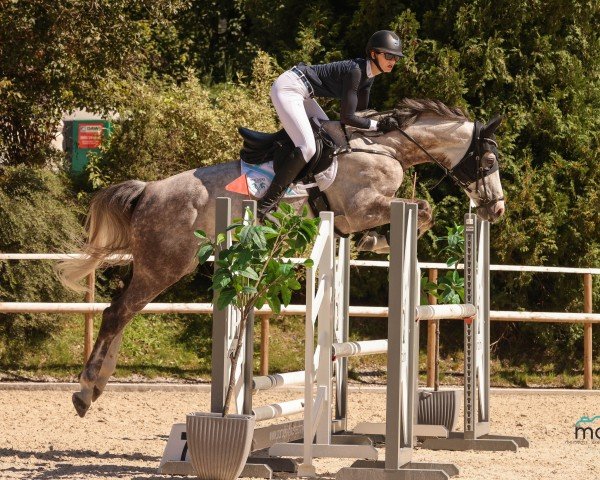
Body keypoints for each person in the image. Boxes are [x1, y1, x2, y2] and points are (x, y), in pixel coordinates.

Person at [257, 30, 404, 220]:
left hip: (304, 92)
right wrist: (378, 125)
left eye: (396, 57)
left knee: (331, 138)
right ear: (374, 54)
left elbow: (360, 116)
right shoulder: (356, 72)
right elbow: (348, 118)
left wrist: (385, 122)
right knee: (308, 147)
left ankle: (305, 186)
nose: (393, 61)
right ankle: (266, 204)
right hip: (289, 87)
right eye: (389, 55)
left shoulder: (368, 76)